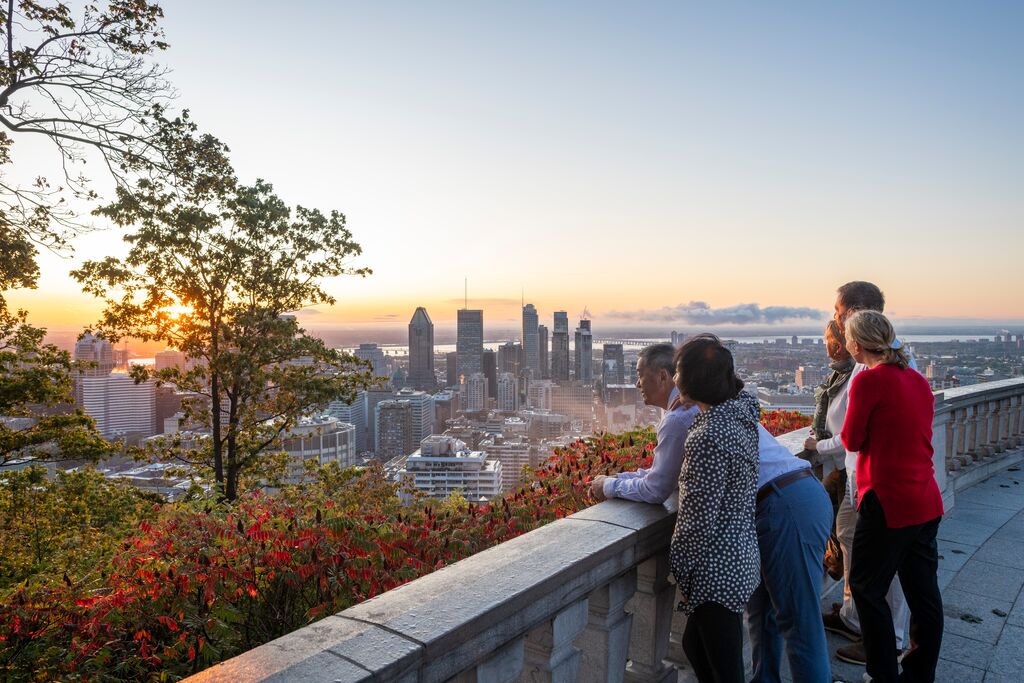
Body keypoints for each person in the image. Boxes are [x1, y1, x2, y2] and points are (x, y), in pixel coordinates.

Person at [841, 310, 944, 683]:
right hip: (926, 499)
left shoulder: (868, 382)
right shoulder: (917, 379)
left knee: (868, 589)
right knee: (924, 595)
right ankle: (919, 674)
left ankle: (882, 673)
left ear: (856, 344)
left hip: (887, 501)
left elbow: (851, 439)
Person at [816, 281, 912, 666]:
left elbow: (852, 434)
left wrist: (818, 447)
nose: (835, 321)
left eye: (838, 313)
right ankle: (855, 618)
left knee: (879, 565)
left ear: (854, 313)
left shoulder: (874, 372)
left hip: (877, 481)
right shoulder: (886, 362)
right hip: (870, 479)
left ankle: (885, 639)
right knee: (854, 545)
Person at [669, 335, 760, 683]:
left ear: (692, 381)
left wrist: (681, 568)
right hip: (742, 554)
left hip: (716, 569)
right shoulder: (740, 415)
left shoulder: (708, 436)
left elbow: (697, 519)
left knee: (726, 671)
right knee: (695, 645)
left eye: (678, 372)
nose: (674, 379)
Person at [748, 424, 833, 683]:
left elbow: (659, 484)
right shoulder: (731, 406)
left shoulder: (691, 417)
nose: (639, 381)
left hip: (787, 507)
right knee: (762, 612)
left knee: (800, 622)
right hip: (789, 500)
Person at [590, 343, 698, 504]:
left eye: (640, 375)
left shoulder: (676, 420)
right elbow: (666, 473)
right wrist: (618, 478)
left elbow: (655, 489)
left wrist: (608, 486)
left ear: (662, 376)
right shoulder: (694, 408)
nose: (637, 384)